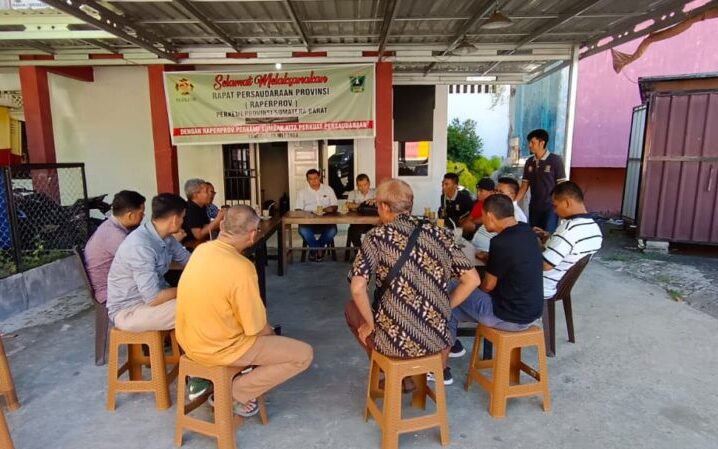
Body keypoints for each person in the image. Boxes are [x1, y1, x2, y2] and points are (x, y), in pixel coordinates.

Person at [176, 205, 313, 417]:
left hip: (189, 344)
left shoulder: (201, 250)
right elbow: (256, 329)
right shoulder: (242, 268)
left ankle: (210, 379)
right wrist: (272, 339)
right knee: (302, 354)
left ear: (221, 225)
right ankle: (236, 392)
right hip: (220, 350)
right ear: (252, 236)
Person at [345, 179, 480, 385]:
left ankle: (392, 372)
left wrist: (370, 324)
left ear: (382, 206)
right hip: (436, 340)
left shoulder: (377, 236)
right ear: (411, 204)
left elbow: (357, 288)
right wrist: (444, 309)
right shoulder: (439, 233)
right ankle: (408, 373)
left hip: (396, 341)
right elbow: (472, 279)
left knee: (352, 310)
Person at [448, 194, 544, 358]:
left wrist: (467, 285)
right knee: (453, 306)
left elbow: (487, 286)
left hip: (506, 316)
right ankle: (451, 345)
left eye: (483, 216)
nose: (483, 221)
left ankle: (443, 354)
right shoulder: (527, 231)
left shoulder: (500, 242)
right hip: (532, 313)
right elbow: (518, 259)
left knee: (451, 286)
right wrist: (491, 258)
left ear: (490, 216)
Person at [106, 193, 191, 332]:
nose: (183, 221)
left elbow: (189, 261)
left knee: (202, 299)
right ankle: (209, 351)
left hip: (149, 304)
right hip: (130, 310)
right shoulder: (141, 245)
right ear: (175, 219)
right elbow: (153, 298)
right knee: (198, 306)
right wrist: (188, 289)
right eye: (182, 217)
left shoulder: (166, 237)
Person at [533, 181, 603, 299]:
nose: (554, 211)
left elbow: (545, 265)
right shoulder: (594, 229)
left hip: (543, 286)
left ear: (567, 203)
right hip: (561, 283)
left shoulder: (568, 229)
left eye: (555, 206)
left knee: (499, 268)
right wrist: (549, 237)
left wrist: (531, 247)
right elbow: (568, 249)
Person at [84, 190, 145, 303]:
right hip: (111, 293)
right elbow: (140, 262)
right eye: (141, 213)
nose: (144, 216)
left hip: (119, 286)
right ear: (130, 215)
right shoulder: (114, 235)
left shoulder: (112, 226)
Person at [515, 129, 567, 233]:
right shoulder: (529, 162)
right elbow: (524, 185)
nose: (529, 145)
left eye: (532, 142)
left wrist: (561, 205)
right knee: (534, 234)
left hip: (551, 207)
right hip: (534, 206)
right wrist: (514, 202)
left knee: (547, 235)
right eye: (529, 142)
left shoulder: (555, 160)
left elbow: (562, 185)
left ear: (542, 143)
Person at [295, 168, 338, 262]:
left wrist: (328, 209)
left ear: (319, 177)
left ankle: (314, 249)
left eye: (315, 178)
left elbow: (335, 206)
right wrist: (308, 214)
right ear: (307, 180)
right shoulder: (302, 192)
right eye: (310, 179)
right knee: (302, 229)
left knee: (333, 230)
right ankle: (319, 250)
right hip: (308, 221)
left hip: (326, 220)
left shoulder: (328, 189)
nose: (313, 181)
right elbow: (298, 209)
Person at [181, 178, 224, 250]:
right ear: (195, 194)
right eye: (206, 191)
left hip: (201, 243)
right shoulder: (191, 208)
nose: (210, 194)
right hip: (191, 246)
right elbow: (198, 234)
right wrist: (217, 220)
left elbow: (205, 226)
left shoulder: (202, 206)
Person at [345, 173, 376, 252]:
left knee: (378, 234)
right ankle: (361, 253)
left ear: (369, 183)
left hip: (373, 223)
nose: (363, 187)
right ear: (357, 185)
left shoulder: (376, 192)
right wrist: (363, 204)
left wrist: (375, 201)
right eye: (360, 185)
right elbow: (348, 205)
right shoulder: (352, 193)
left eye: (365, 185)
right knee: (352, 232)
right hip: (357, 223)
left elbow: (382, 204)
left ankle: (371, 254)